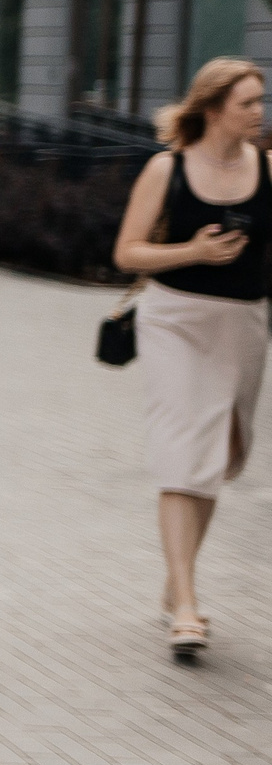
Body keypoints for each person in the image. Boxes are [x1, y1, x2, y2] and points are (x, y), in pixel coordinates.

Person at [112, 56, 268, 662]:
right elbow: (127, 253)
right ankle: (186, 605)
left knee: (220, 455)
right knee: (183, 453)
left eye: (261, 101)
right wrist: (193, 251)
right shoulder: (167, 168)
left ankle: (175, 578)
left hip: (244, 326)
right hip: (176, 321)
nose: (259, 113)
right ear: (212, 108)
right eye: (247, 103)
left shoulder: (269, 171)